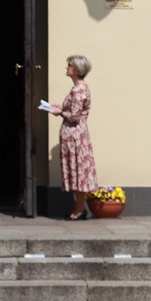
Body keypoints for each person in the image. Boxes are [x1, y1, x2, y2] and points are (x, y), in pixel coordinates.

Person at [49, 54, 98, 220]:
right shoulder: (79, 89)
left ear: (76, 70)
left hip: (75, 136)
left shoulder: (78, 90)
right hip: (76, 135)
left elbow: (75, 116)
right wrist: (62, 107)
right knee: (78, 170)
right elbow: (76, 110)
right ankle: (78, 207)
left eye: (69, 65)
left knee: (78, 171)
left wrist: (60, 112)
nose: (67, 67)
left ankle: (79, 209)